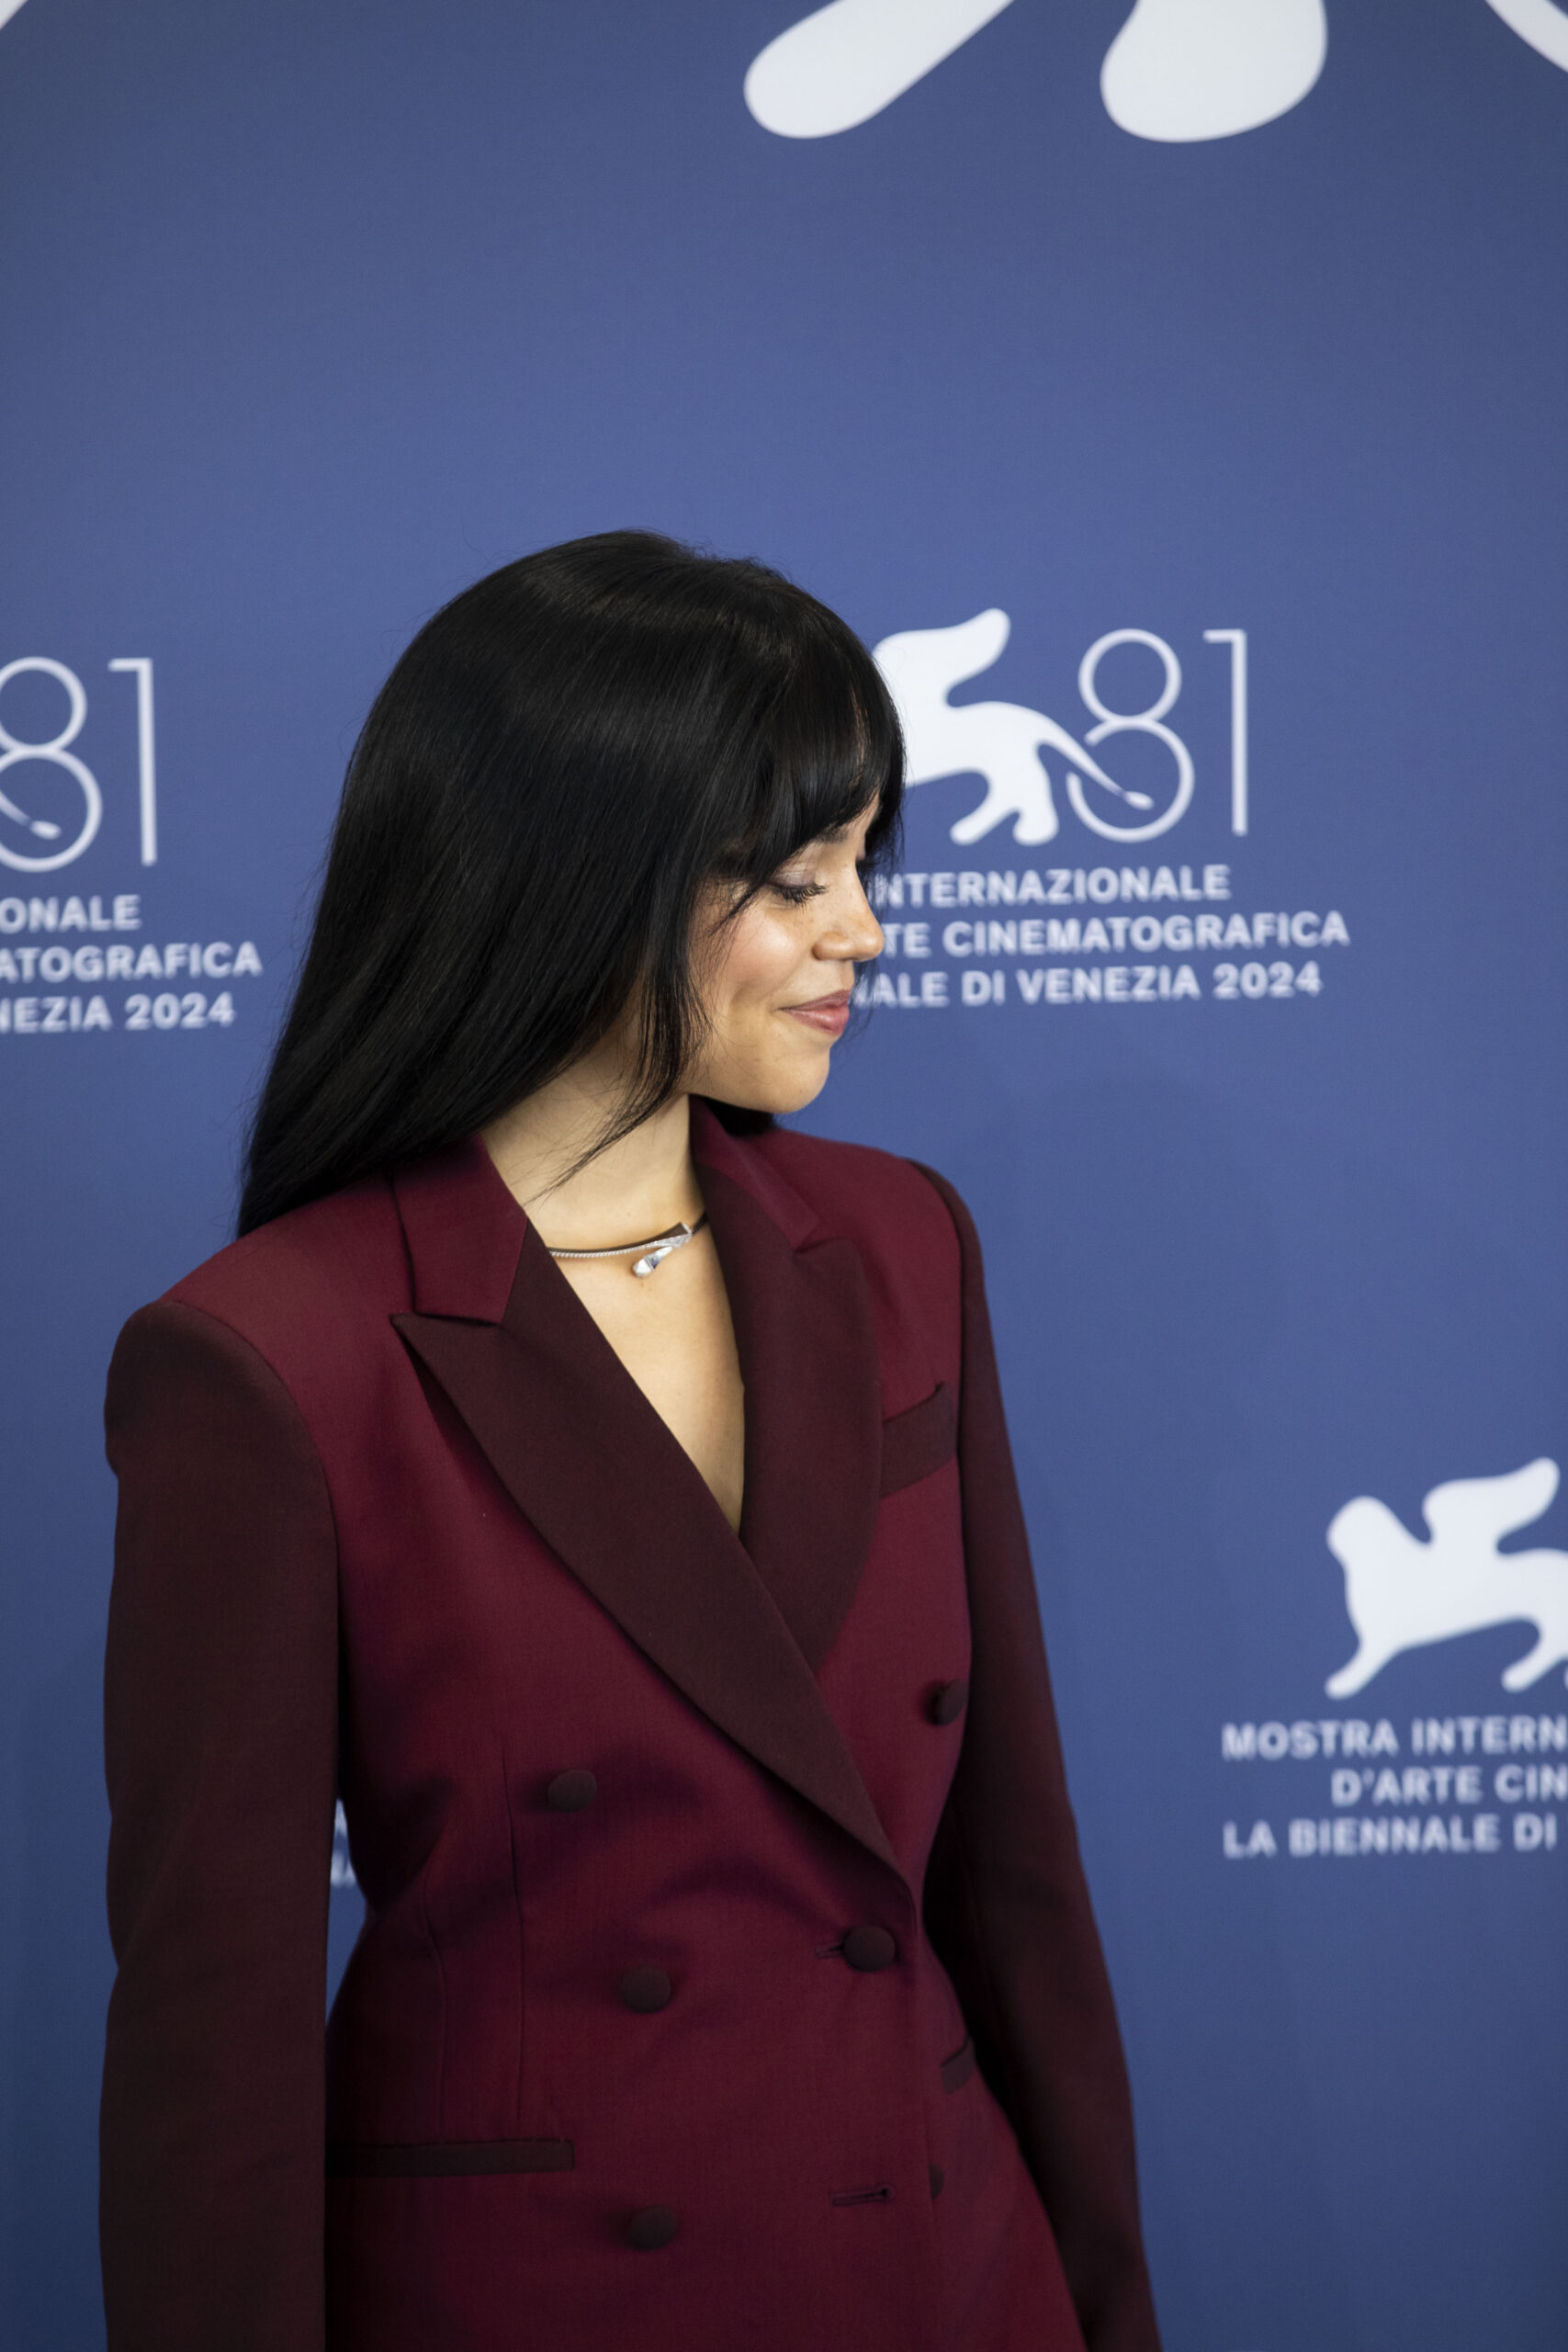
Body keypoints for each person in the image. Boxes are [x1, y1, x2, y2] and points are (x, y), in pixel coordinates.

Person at [100, 531, 1162, 2352]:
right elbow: (220, 2038)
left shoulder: (903, 1244)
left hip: (948, 2270)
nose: (863, 929)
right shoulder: (273, 1357)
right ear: (583, 877)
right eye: (797, 877)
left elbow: (1015, 1882)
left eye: (864, 864)